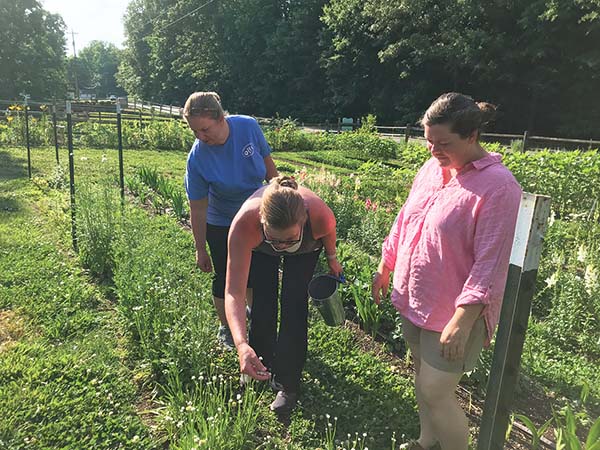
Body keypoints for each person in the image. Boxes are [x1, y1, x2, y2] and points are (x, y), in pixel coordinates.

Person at [371, 93, 522, 450]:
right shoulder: (430, 169)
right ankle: (426, 440)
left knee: (435, 390)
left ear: (472, 136)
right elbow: (405, 218)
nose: (433, 150)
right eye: (429, 141)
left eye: (443, 143)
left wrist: (464, 319)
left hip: (453, 310)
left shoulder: (499, 187)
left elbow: (491, 261)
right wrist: (386, 263)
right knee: (422, 374)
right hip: (417, 293)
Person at [224, 176, 343, 416]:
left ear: (303, 223)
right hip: (260, 248)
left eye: (289, 240)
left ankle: (288, 383)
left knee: (295, 305)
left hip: (306, 249)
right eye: (275, 239)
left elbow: (329, 232)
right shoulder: (245, 224)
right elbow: (234, 292)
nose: (281, 246)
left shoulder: (319, 216)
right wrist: (241, 344)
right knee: (263, 302)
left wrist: (332, 258)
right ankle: (258, 362)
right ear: (262, 222)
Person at [183, 91, 278, 349]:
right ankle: (226, 327)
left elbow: (269, 169)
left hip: (256, 213)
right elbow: (198, 207)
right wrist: (200, 248)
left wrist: (278, 198)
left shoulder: (247, 127)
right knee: (226, 275)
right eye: (195, 132)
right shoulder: (198, 157)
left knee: (256, 272)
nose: (201, 137)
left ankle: (250, 314)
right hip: (221, 220)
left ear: (221, 117)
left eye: (205, 130)